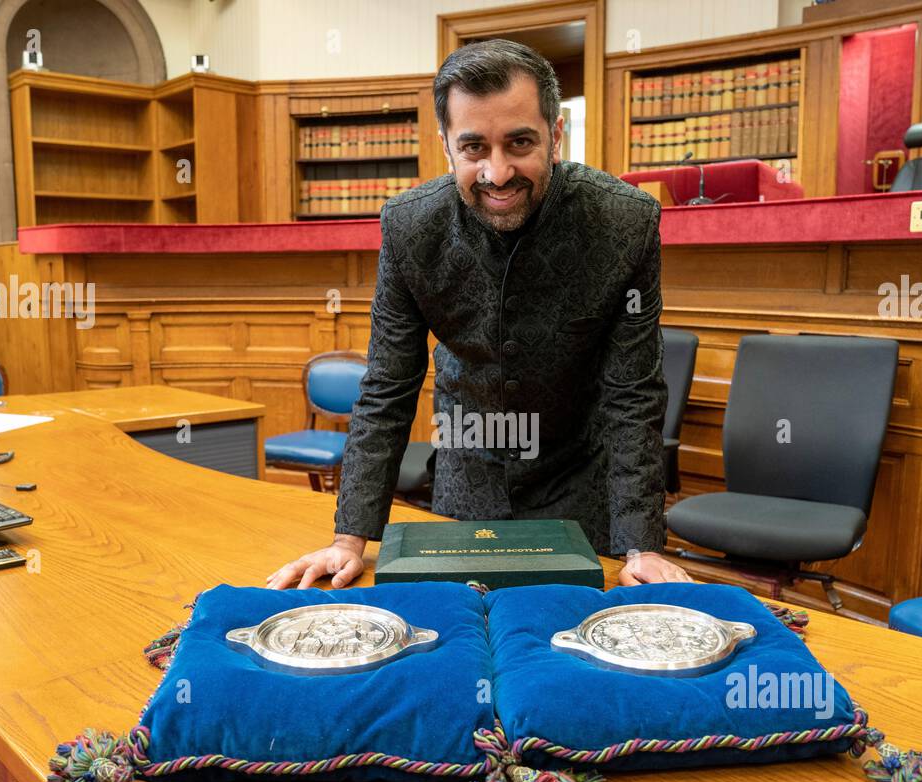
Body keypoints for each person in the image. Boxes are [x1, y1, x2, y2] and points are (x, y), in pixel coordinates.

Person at [268, 38, 690, 590]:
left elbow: (632, 394)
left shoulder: (624, 223)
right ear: (446, 146)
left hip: (582, 484)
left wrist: (642, 544)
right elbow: (388, 388)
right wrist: (350, 539)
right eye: (474, 148)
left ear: (556, 134)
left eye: (519, 143)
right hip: (467, 477)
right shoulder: (409, 228)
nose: (496, 173)